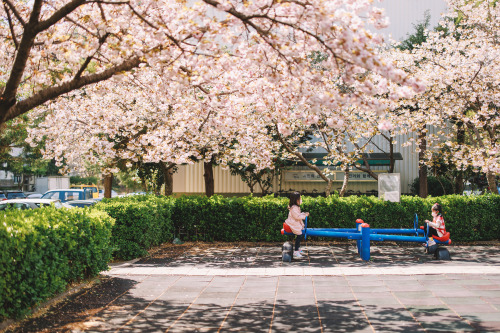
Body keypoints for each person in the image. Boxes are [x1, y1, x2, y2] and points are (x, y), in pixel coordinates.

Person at [284, 192, 309, 259]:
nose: (300, 200)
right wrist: (304, 215)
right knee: (299, 234)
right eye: (299, 199)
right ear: (296, 200)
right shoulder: (294, 208)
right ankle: (296, 251)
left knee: (300, 235)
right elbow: (297, 217)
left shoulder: (296, 207)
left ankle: (297, 248)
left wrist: (304, 214)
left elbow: (298, 215)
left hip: (295, 222)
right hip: (293, 223)